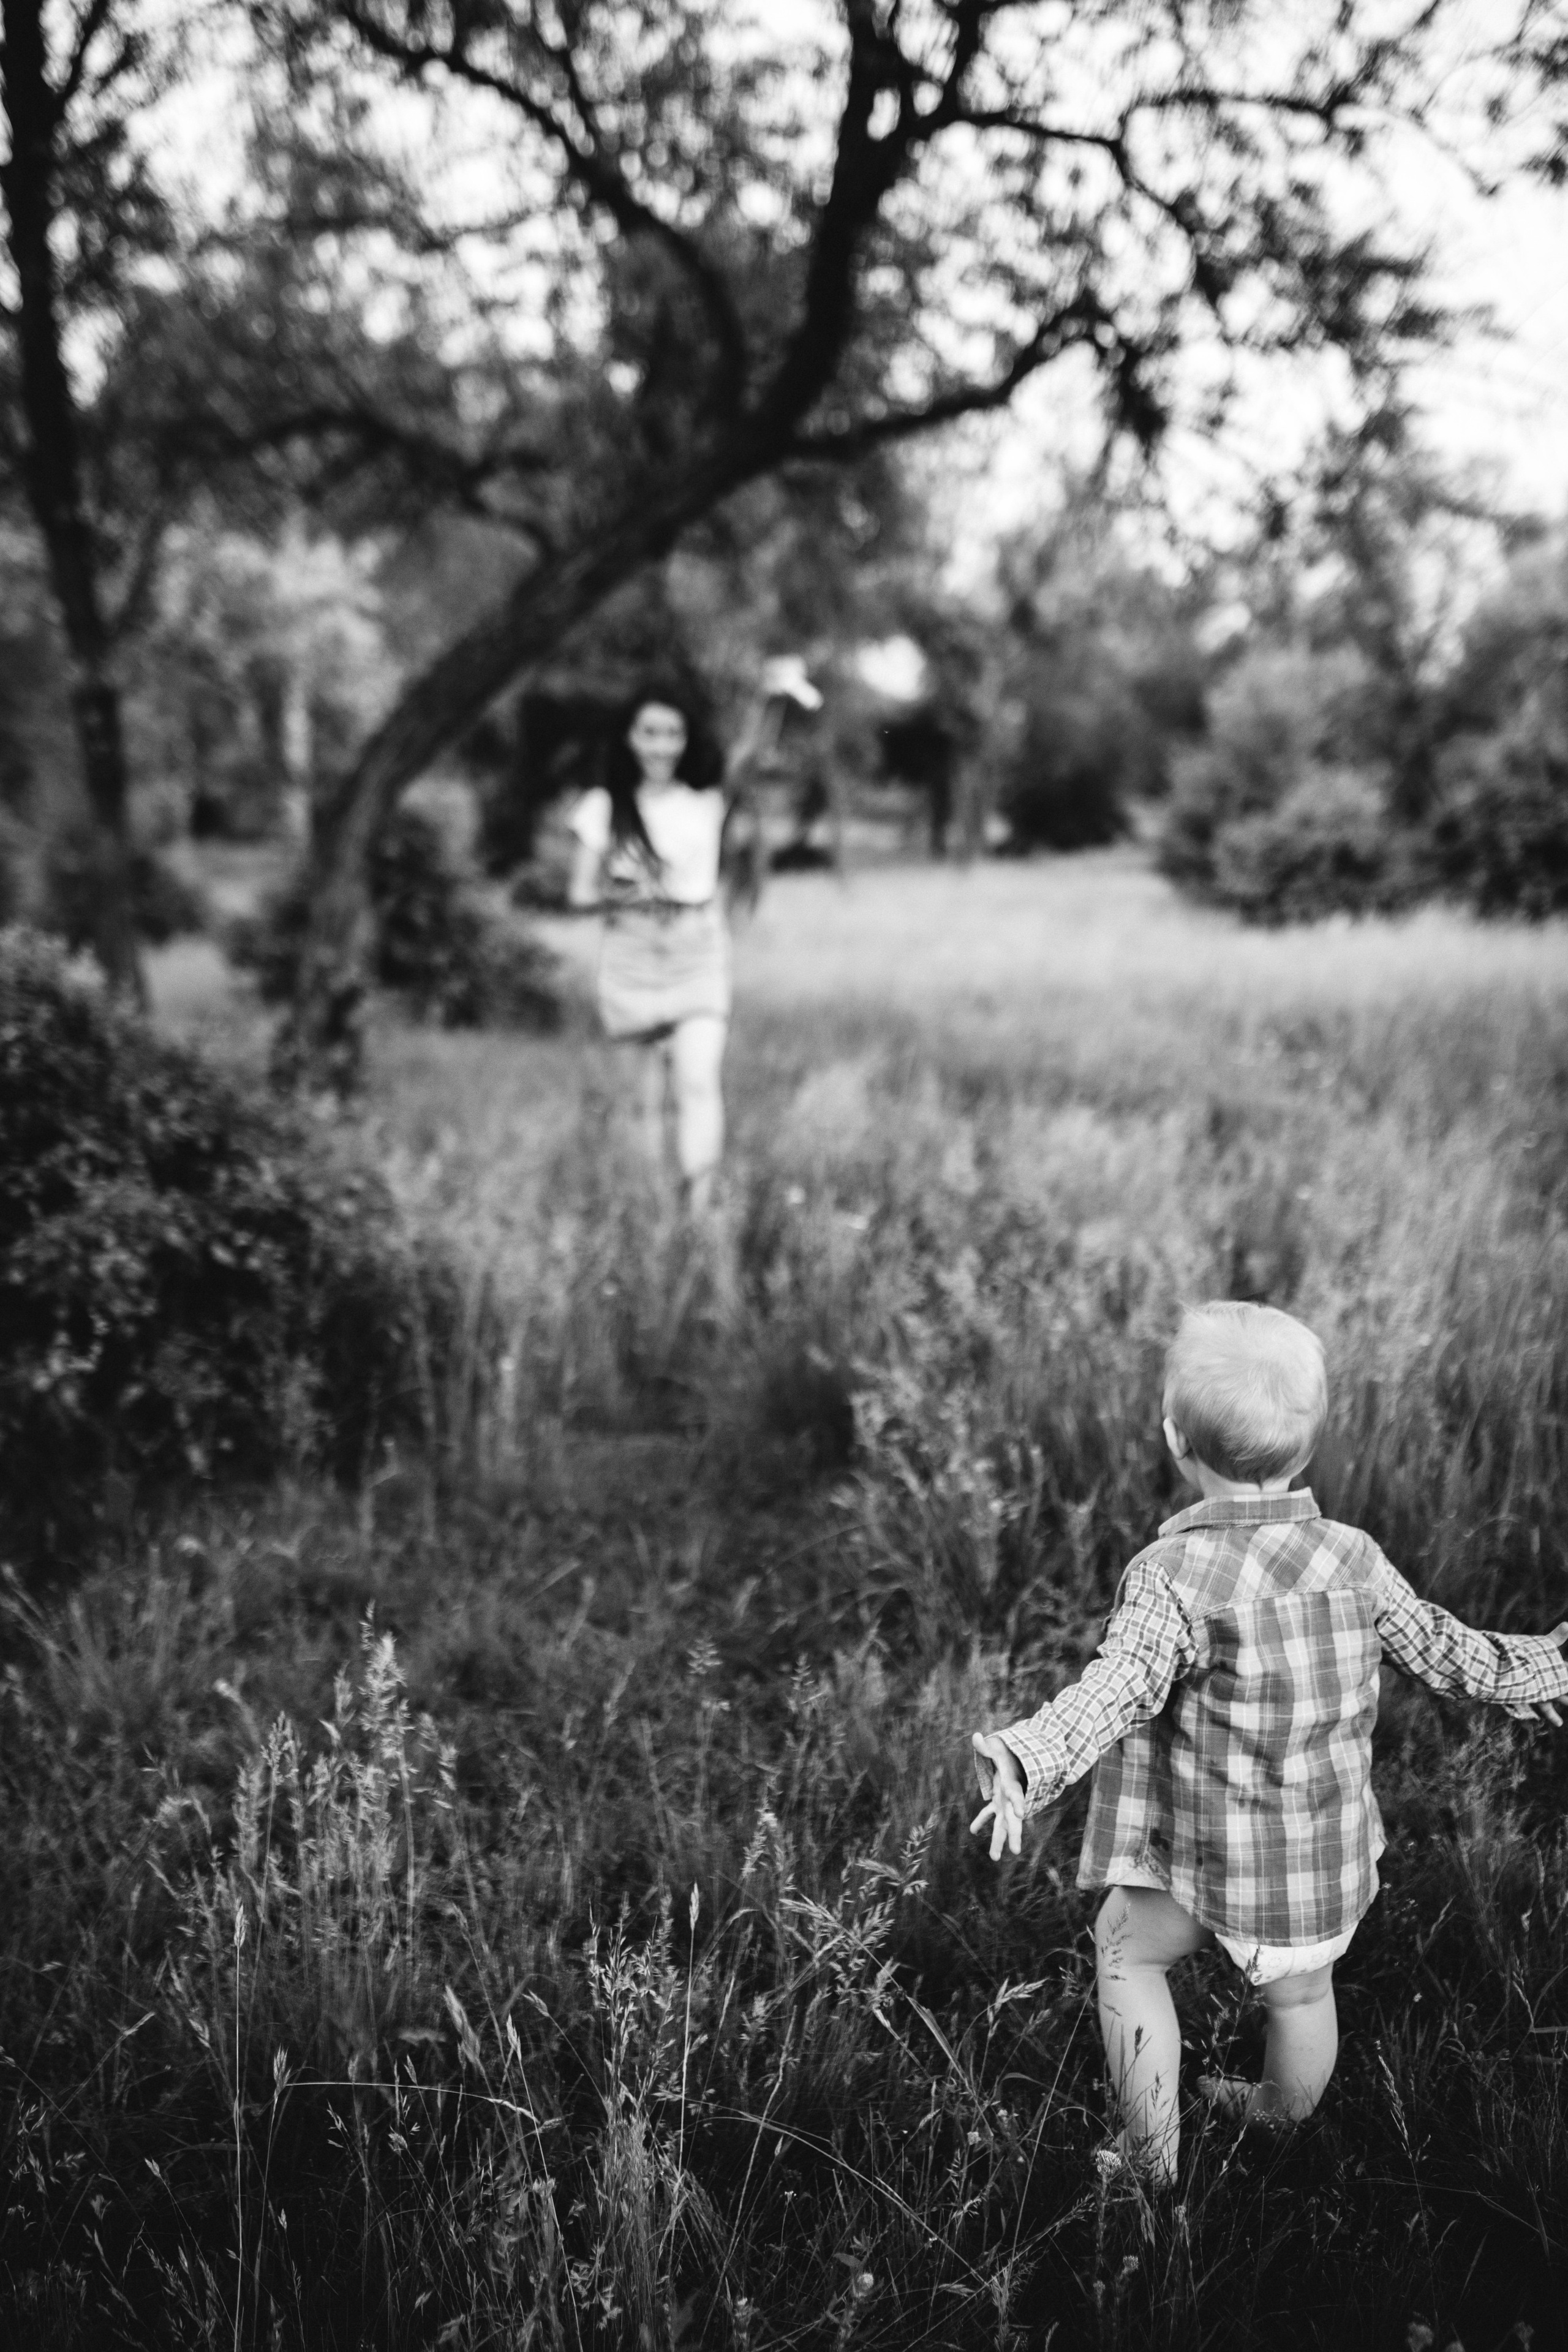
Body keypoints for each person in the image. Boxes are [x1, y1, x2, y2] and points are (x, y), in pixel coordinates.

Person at [969, 1299, 1568, 2185]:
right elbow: (1447, 1650)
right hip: (1315, 1866)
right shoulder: (1356, 1559)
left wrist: (1027, 1755)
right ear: (1310, 1445)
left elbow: (1114, 1690)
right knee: (1304, 1995)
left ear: (1176, 1439)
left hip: (1202, 1859)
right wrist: (1543, 1672)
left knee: (1126, 1952)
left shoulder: (1170, 1576)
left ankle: (1149, 2156)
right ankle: (1281, 2114)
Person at [567, 681, 732, 1213]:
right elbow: (578, 894)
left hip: (696, 952)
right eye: (650, 733)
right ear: (629, 739)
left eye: (673, 734)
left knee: (698, 1079)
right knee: (644, 1101)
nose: (661, 746)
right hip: (631, 956)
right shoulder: (602, 807)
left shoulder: (707, 803)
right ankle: (653, 1212)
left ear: (688, 740)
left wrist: (776, 697)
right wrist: (622, 896)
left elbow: (755, 751)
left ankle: (700, 1212)